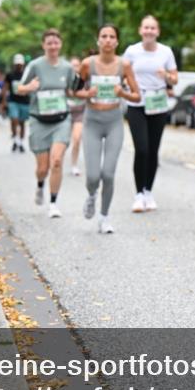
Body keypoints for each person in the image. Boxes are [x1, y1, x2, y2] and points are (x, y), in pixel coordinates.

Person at [73, 24, 141, 233]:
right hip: (92, 121)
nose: (108, 40)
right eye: (104, 36)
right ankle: (92, 195)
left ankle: (104, 217)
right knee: (93, 176)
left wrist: (122, 93)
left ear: (117, 42)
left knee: (109, 174)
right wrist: (88, 93)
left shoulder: (125, 65)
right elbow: (74, 91)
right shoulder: (87, 64)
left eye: (112, 36)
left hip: (113, 122)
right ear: (98, 40)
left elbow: (137, 96)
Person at [17, 29, 76, 218]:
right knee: (42, 168)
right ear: (43, 45)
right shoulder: (35, 65)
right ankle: (40, 185)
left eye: (56, 42)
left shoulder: (67, 68)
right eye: (49, 43)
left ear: (60, 44)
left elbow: (76, 88)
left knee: (57, 161)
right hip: (39, 121)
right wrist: (29, 87)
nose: (52, 46)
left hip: (61, 120)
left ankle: (53, 203)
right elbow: (19, 88)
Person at [123, 15, 178, 213]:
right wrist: (129, 88)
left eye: (152, 28)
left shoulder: (166, 52)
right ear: (140, 30)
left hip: (158, 104)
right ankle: (138, 194)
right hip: (137, 103)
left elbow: (175, 79)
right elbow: (123, 74)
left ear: (158, 31)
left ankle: (148, 192)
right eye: (146, 27)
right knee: (142, 149)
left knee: (153, 150)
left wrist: (167, 77)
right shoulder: (131, 51)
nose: (149, 31)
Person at [4, 54, 30, 152]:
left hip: (24, 102)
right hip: (13, 101)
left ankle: (20, 142)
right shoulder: (10, 75)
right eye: (17, 64)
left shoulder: (27, 74)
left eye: (20, 64)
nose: (19, 66)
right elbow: (5, 88)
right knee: (14, 119)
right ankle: (15, 138)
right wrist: (4, 101)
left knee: (22, 122)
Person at [68, 56, 86, 176]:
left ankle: (74, 165)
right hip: (65, 113)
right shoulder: (64, 79)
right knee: (63, 142)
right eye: (72, 65)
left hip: (80, 113)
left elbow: (89, 93)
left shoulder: (85, 80)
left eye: (77, 65)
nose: (75, 67)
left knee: (77, 139)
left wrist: (79, 93)